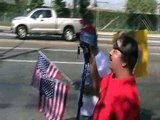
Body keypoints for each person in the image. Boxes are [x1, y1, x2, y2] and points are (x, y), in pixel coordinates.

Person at [93, 35, 141, 120]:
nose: (110, 52)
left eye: (115, 51)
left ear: (125, 61)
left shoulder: (127, 98)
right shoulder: (110, 78)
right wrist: (91, 60)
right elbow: (99, 91)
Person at [78, 24, 110, 120]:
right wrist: (80, 85)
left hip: (95, 112)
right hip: (84, 110)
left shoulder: (103, 61)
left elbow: (106, 91)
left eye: (83, 47)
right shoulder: (87, 57)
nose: (82, 50)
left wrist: (91, 90)